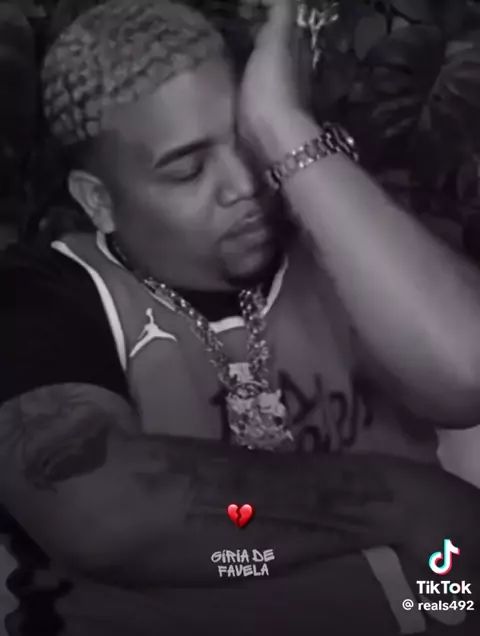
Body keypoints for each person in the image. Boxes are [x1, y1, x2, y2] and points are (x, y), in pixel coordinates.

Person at [1, 1, 480, 634]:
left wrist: (283, 123)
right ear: (99, 201)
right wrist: (408, 502)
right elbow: (99, 510)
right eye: (188, 170)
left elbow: (467, 376)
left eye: (249, 144)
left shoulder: (340, 246)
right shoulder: (47, 293)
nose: (244, 186)